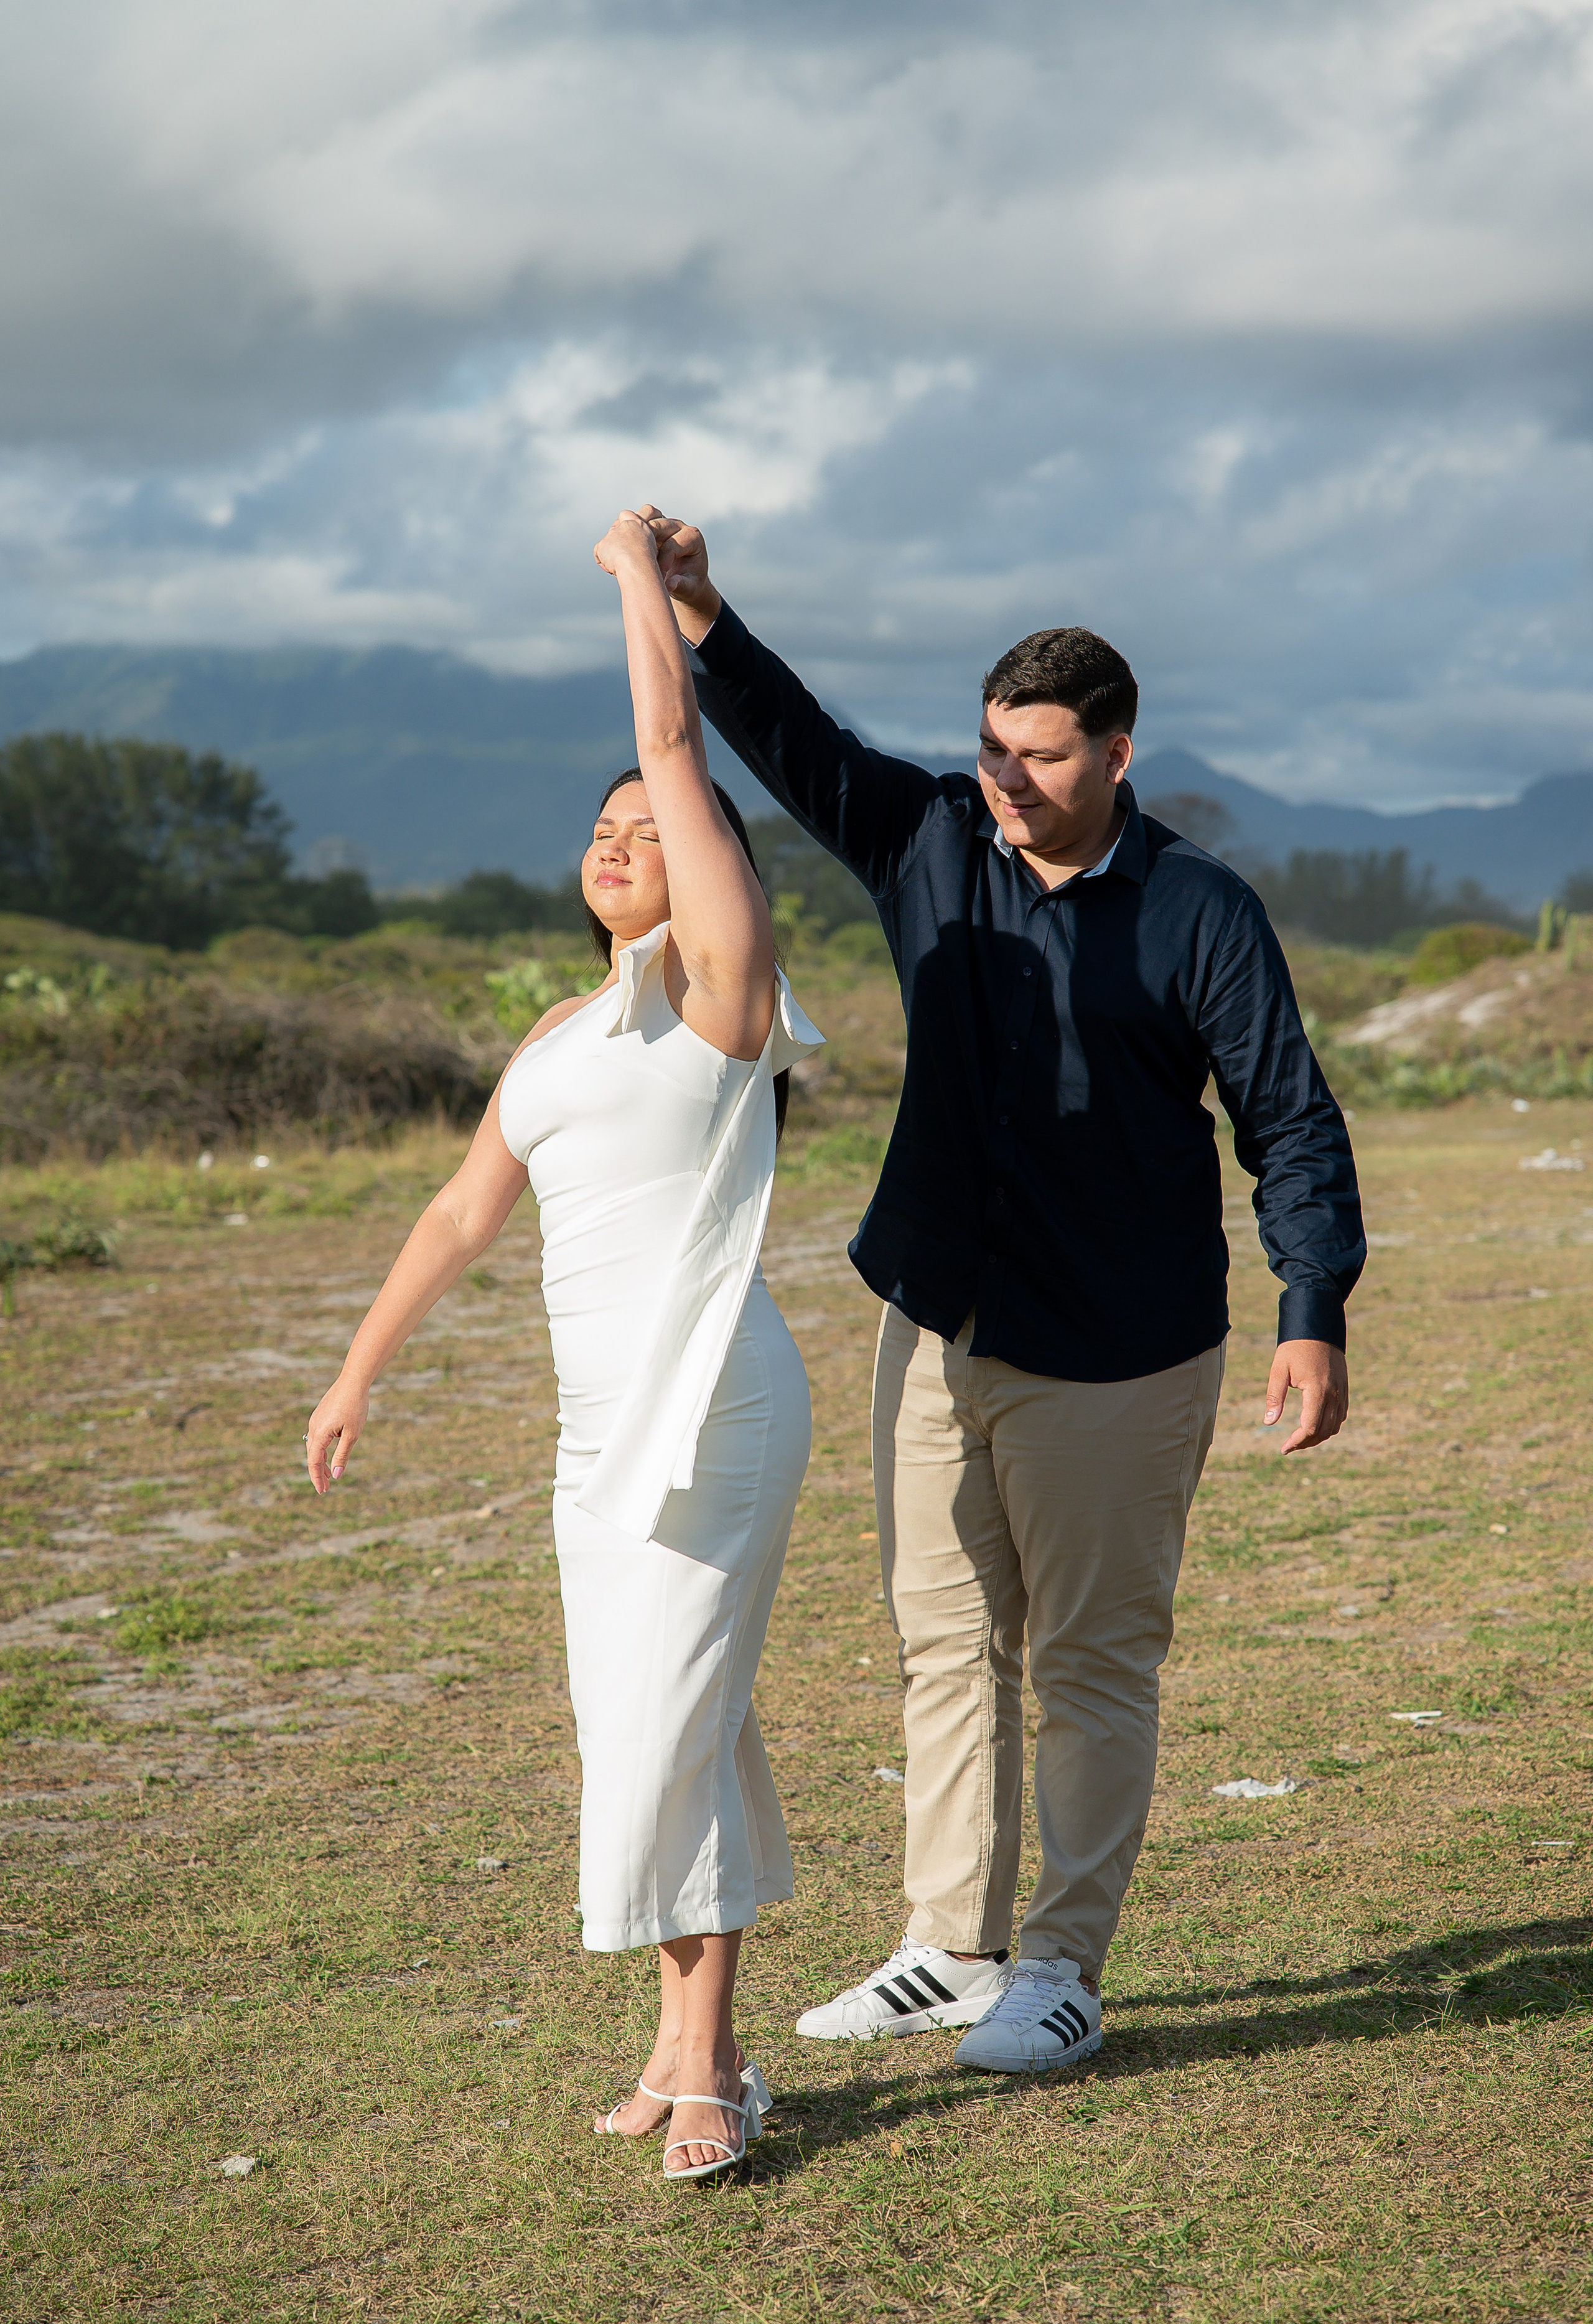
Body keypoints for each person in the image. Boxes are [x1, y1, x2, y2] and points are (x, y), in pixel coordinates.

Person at [635, 505, 1366, 2073]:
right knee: (945, 1641)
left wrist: (1311, 1307)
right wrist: (698, 608)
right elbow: (794, 741)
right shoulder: (928, 839)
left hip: (1119, 1343)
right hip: (936, 1313)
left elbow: (1287, 1118)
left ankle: (1062, 1961)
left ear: (1114, 751)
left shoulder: (1199, 912)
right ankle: (946, 1947)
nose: (1003, 775)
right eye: (987, 744)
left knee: (1092, 1658)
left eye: (1037, 753)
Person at [304, 508, 823, 2178]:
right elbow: (462, 1214)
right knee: (660, 1726)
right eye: (600, 828)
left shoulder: (723, 998)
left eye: (650, 829)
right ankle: (701, 2053)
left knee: (670, 1726)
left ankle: (704, 2076)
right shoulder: (557, 1030)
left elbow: (672, 733)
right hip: (592, 1435)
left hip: (711, 1410)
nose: (619, 836)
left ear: (709, 866)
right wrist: (357, 1370)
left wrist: (636, 585)